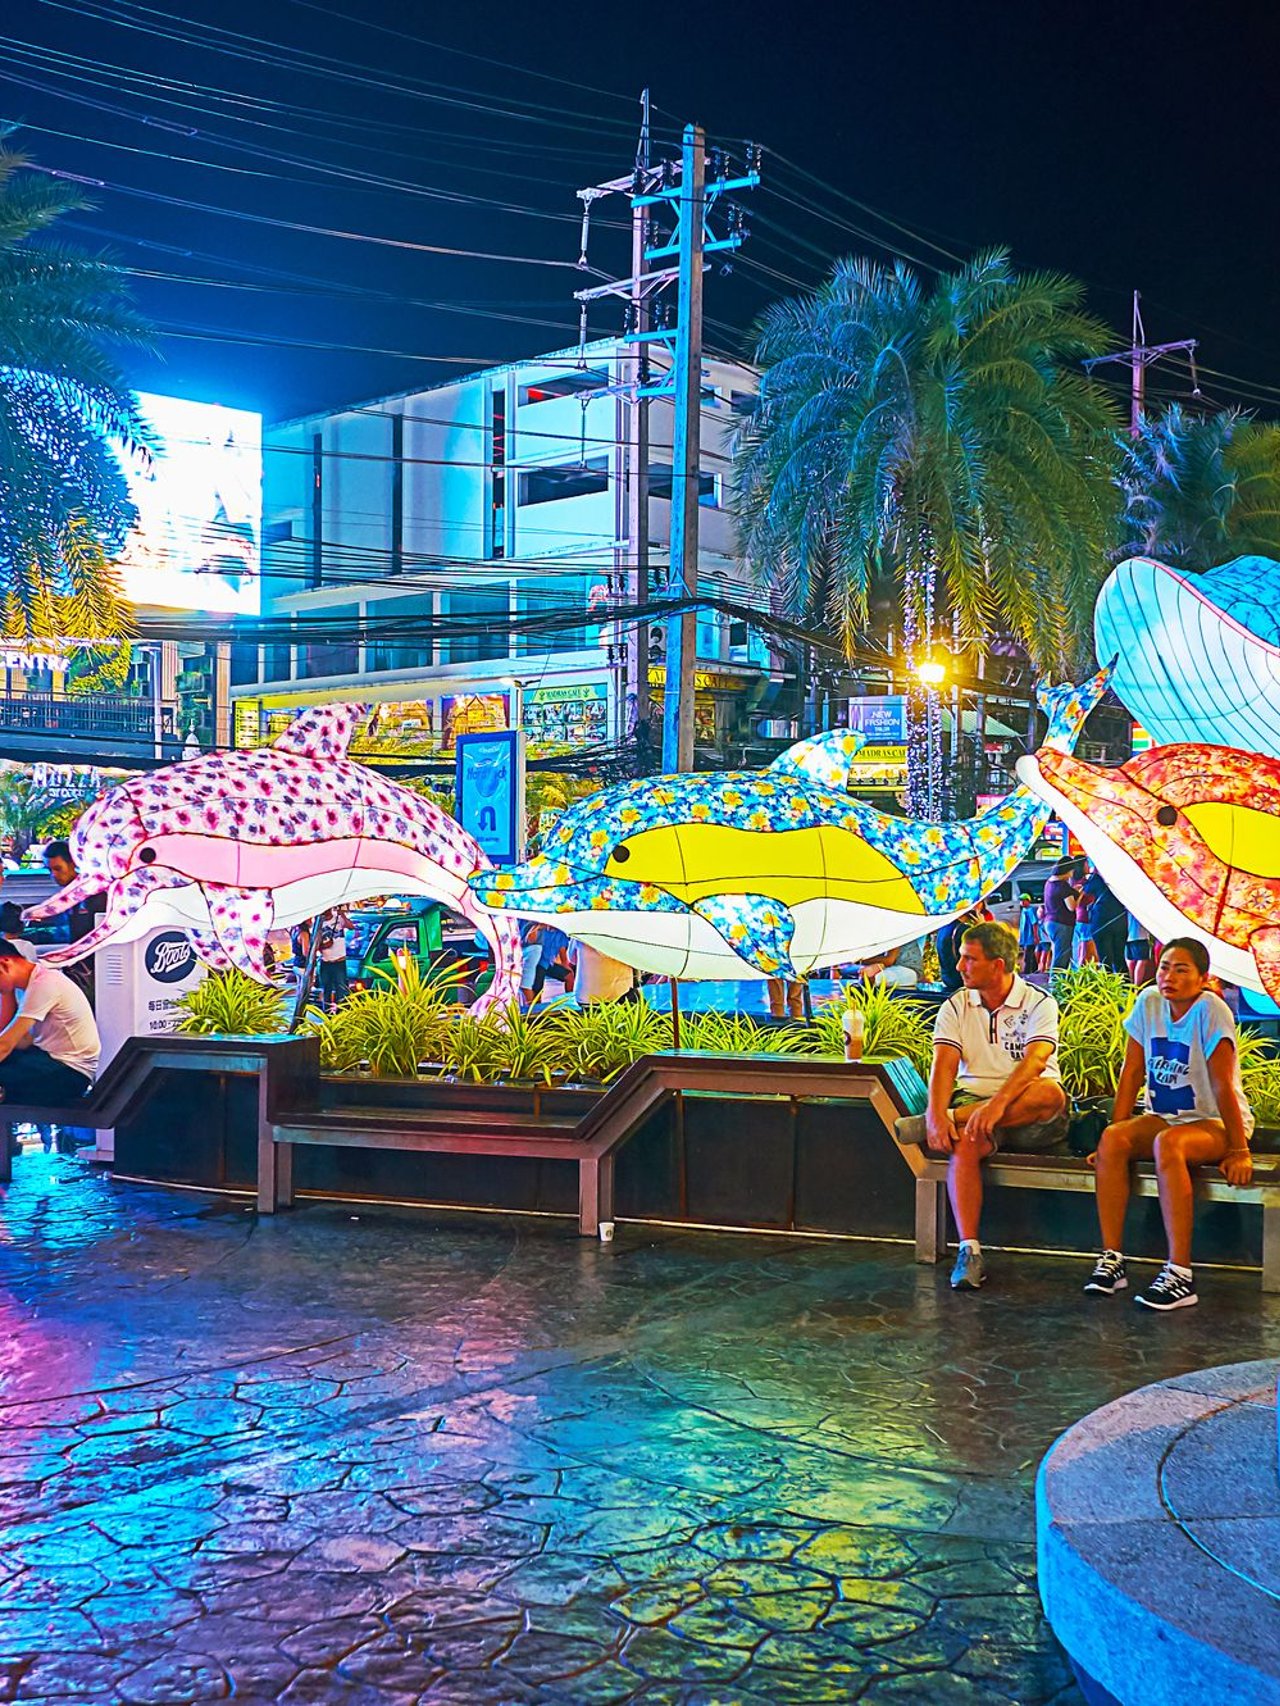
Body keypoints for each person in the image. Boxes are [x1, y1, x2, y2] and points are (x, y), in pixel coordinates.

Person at [1084, 938, 1253, 1311]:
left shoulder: (1211, 1009)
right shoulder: (1149, 1002)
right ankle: (1112, 1259)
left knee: (1169, 1143)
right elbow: (1131, 1071)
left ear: (1203, 978)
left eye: (1181, 970)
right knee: (1113, 1138)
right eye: (1164, 967)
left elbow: (1223, 1084)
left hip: (1215, 1122)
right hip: (1164, 1118)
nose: (1169, 977)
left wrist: (1239, 1149)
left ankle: (1180, 1273)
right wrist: (1114, 1139)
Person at [921, 920, 1069, 1291]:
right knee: (966, 1143)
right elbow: (944, 1064)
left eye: (969, 959)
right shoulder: (956, 1005)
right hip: (977, 1104)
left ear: (998, 965)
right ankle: (969, 1250)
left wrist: (989, 1108)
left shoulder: (1039, 1002)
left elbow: (1036, 1061)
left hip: (1028, 1110)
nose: (959, 966)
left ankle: (959, 1117)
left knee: (1051, 1094)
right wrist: (935, 1113)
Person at [0, 939, 100, 1105]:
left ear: (4, 963)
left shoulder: (44, 984)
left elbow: (5, 1044)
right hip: (45, 1059)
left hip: (70, 1072)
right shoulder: (24, 987)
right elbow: (22, 1041)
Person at [40, 840, 106, 1003]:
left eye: (58, 869)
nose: (53, 875)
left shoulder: (95, 894)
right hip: (76, 970)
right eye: (50, 870)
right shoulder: (68, 897)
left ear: (73, 864)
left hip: (96, 972)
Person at [1080, 864, 1126, 973]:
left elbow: (1085, 894)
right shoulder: (1120, 878)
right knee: (1119, 958)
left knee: (1105, 959)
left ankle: (1107, 981)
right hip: (1120, 920)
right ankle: (1124, 981)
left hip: (1101, 921)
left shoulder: (1096, 879)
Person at [567, 938, 635, 1005]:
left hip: (587, 998)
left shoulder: (580, 935)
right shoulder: (625, 936)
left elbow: (572, 959)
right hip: (622, 994)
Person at [1041, 858, 1079, 972]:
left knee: (1059, 952)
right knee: (1061, 955)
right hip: (1062, 923)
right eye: (1072, 871)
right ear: (1067, 870)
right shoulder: (1062, 886)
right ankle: (1055, 980)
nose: (1072, 874)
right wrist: (1081, 894)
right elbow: (1071, 906)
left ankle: (1059, 978)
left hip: (1050, 922)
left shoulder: (1049, 882)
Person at [316, 910, 350, 1009]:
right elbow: (315, 945)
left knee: (341, 989)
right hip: (326, 961)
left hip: (339, 961)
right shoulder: (318, 923)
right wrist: (324, 946)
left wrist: (342, 914)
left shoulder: (338, 918)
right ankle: (326, 1011)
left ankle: (342, 1011)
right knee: (326, 989)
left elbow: (350, 926)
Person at [859, 939, 923, 990]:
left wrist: (860, 960)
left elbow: (889, 961)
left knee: (871, 977)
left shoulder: (897, 934)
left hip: (909, 972)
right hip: (894, 968)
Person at [1125, 912, 1156, 986]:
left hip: (1128, 935)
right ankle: (1136, 986)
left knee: (1130, 961)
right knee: (1142, 961)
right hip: (1141, 935)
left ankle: (1130, 985)